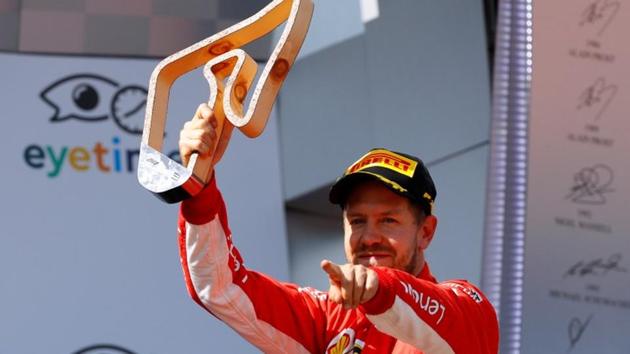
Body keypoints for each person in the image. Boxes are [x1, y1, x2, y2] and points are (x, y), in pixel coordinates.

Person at [176, 104, 499, 353]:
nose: (369, 237)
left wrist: (378, 288)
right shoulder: (328, 319)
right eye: (357, 221)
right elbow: (220, 287)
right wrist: (199, 185)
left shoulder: (469, 313)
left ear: (426, 232)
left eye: (388, 220)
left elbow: (439, 313)